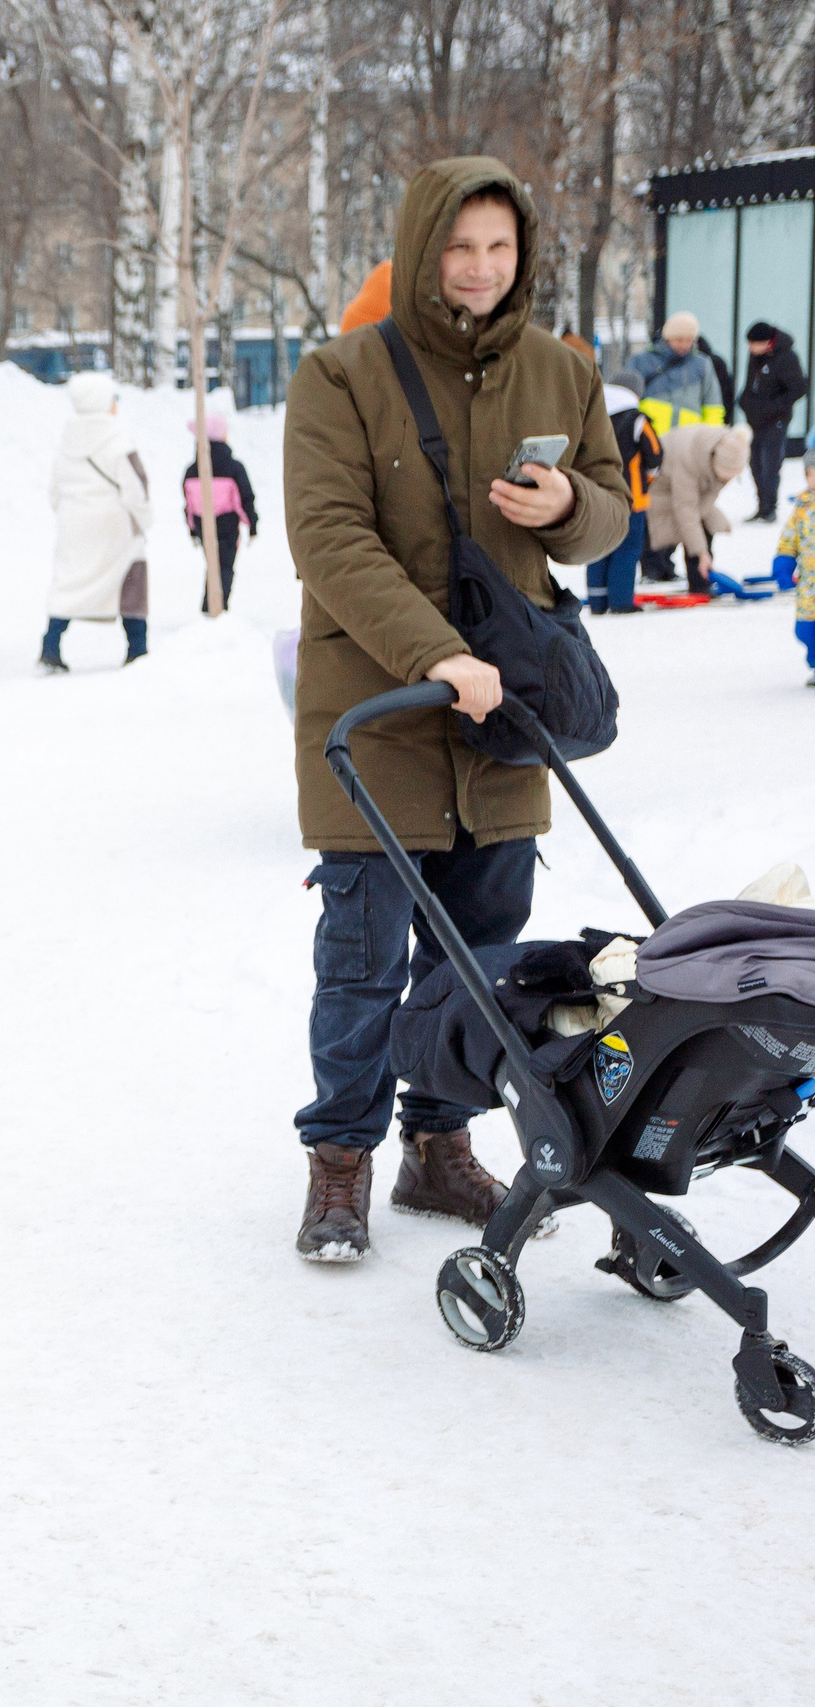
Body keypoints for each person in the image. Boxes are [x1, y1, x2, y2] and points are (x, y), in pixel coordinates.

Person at [283, 156, 629, 1262]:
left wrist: (571, 503)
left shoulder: (559, 373)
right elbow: (329, 540)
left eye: (499, 248)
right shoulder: (339, 376)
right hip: (379, 713)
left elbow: (613, 515)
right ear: (421, 248)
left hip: (505, 720)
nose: (479, 269)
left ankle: (438, 1150)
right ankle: (340, 1161)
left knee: (483, 958)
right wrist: (436, 654)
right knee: (363, 961)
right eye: (458, 247)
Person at [43, 371, 151, 672]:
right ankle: (137, 649)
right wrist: (143, 519)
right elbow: (136, 486)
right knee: (130, 579)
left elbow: (55, 489)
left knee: (68, 584)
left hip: (74, 523)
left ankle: (50, 648)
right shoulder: (118, 438)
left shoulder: (67, 439)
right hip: (113, 523)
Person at [587, 370, 662, 614]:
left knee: (598, 547)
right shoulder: (638, 419)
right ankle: (621, 601)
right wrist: (648, 478)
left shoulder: (592, 414)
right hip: (632, 498)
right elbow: (655, 453)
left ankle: (597, 601)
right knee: (627, 548)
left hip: (596, 496)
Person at [649, 424, 750, 596]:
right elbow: (686, 509)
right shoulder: (689, 457)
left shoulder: (729, 448)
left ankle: (700, 579)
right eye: (723, 477)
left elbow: (703, 503)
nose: (725, 481)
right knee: (682, 527)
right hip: (660, 489)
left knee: (705, 525)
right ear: (714, 464)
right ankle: (659, 571)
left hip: (688, 491)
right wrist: (701, 553)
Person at [181, 411, 260, 613]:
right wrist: (252, 524)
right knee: (225, 565)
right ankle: (217, 606)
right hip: (227, 523)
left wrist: (192, 528)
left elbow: (188, 503)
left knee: (213, 564)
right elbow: (246, 497)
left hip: (201, 522)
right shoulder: (234, 467)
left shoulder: (192, 470)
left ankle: (210, 605)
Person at [740, 323, 808, 522]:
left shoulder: (787, 357)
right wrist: (745, 402)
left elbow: (799, 388)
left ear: (767, 343)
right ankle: (762, 506)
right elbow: (751, 383)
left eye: (754, 344)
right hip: (755, 419)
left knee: (770, 464)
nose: (750, 348)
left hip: (776, 420)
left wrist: (773, 407)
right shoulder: (755, 356)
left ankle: (770, 508)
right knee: (754, 463)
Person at [630, 311, 722, 428]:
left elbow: (712, 406)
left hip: (689, 439)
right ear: (667, 338)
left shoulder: (702, 364)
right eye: (679, 340)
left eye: (689, 340)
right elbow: (628, 400)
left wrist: (710, 438)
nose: (684, 345)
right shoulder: (642, 360)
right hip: (651, 437)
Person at [775, 449, 815, 685]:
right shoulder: (801, 509)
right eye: (812, 474)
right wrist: (784, 562)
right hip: (809, 584)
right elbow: (789, 539)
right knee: (806, 629)